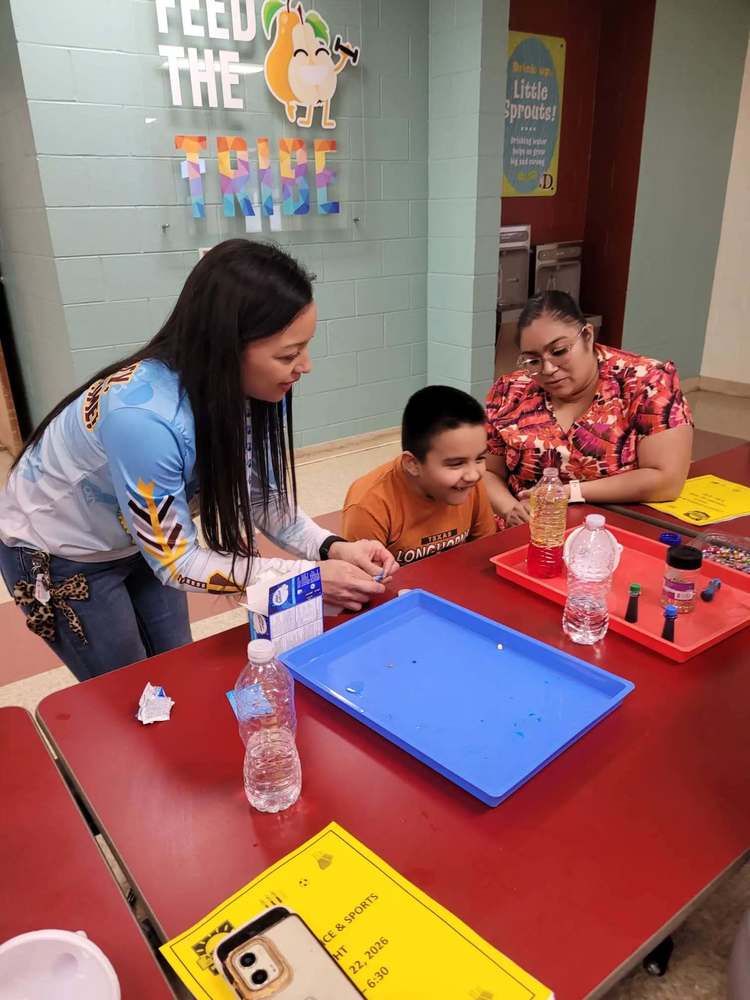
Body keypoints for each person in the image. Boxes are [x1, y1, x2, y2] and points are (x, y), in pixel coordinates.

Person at [0, 239, 397, 681]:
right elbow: (177, 563)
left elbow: (260, 494)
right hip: (63, 553)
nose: (305, 366)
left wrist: (331, 546)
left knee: (176, 671)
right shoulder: (143, 419)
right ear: (226, 347)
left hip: (143, 540)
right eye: (288, 354)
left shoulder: (259, 387)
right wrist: (308, 577)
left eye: (304, 347)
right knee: (130, 692)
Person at [484, 291, 693, 526]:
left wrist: (569, 493)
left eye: (560, 351)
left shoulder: (645, 382)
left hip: (609, 527)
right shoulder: (511, 390)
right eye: (533, 360)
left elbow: (666, 480)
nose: (548, 369)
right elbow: (489, 473)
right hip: (525, 530)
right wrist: (511, 510)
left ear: (588, 336)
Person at [342, 385, 496, 565]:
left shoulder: (469, 484)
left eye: (479, 459)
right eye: (456, 464)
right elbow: (365, 582)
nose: (473, 475)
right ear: (413, 464)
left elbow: (483, 551)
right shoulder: (369, 505)